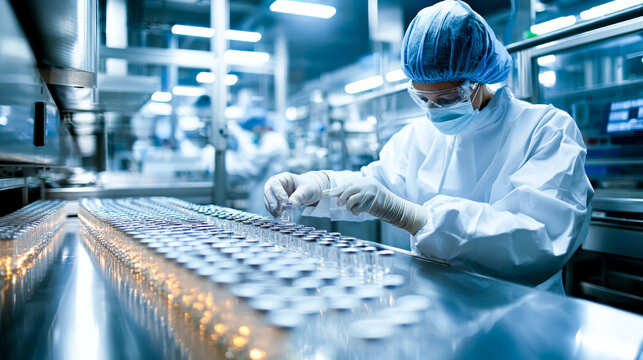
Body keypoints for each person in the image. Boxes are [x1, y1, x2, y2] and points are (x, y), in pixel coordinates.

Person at [264, 0, 594, 293]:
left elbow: (537, 242)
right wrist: (317, 185)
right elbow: (372, 184)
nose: (435, 109)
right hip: (435, 306)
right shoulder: (417, 137)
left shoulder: (546, 129)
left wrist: (418, 218)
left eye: (448, 98)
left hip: (522, 316)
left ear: (479, 80)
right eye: (423, 99)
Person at [228, 110, 289, 216]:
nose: (251, 134)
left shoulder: (272, 141)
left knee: (267, 228)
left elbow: (253, 169)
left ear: (258, 127)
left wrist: (227, 168)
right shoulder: (268, 140)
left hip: (270, 196)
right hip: (266, 193)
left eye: (251, 130)